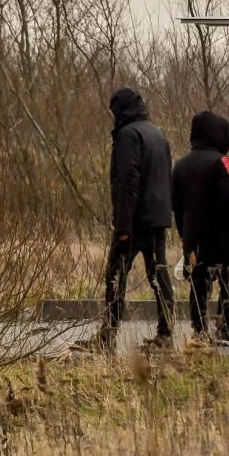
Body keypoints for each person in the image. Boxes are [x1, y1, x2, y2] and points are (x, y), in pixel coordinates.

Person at [77, 88, 175, 353]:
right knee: (159, 275)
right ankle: (166, 333)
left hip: (135, 220)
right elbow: (168, 176)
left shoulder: (127, 135)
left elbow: (127, 181)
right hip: (157, 218)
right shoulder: (157, 133)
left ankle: (108, 335)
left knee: (115, 276)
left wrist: (122, 226)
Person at [172, 111, 229, 346]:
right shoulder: (220, 162)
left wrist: (184, 233)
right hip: (222, 236)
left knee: (198, 284)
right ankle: (225, 328)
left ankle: (200, 331)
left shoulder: (180, 165)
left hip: (194, 237)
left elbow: (176, 205)